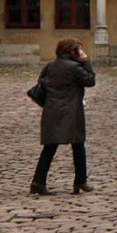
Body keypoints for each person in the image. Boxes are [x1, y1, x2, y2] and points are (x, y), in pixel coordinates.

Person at [31, 38, 96, 196]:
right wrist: (86, 61)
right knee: (78, 146)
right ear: (72, 52)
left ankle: (38, 182)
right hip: (70, 111)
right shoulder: (74, 68)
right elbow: (90, 80)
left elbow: (42, 82)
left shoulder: (50, 66)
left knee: (50, 147)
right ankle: (80, 181)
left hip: (52, 110)